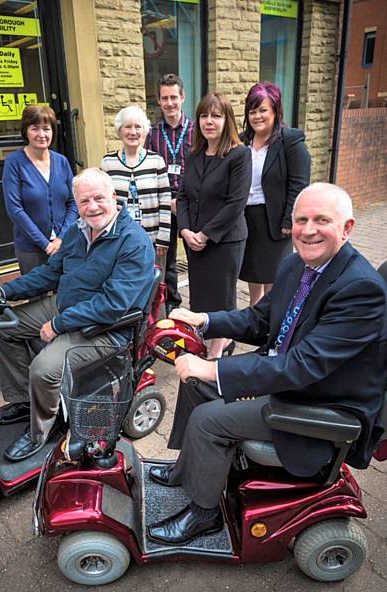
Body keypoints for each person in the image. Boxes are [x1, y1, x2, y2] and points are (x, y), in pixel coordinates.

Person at [147, 183, 387, 546]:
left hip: (319, 400)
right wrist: (204, 321)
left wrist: (213, 367)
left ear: (347, 228)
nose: (308, 230)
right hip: (287, 376)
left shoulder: (360, 289)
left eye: (322, 220)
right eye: (301, 220)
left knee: (208, 417)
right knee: (195, 385)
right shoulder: (296, 264)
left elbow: (302, 367)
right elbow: (259, 321)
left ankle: (204, 514)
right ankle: (188, 470)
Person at [0, 168, 155, 462]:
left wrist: (58, 324)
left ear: (113, 197)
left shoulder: (134, 242)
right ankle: (26, 400)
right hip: (67, 306)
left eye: (98, 198)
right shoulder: (77, 231)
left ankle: (40, 432)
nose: (91, 207)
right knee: (2, 325)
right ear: (76, 204)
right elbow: (50, 273)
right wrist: (4, 292)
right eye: (83, 201)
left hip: (106, 328)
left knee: (43, 368)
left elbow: (113, 304)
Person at [177, 92, 252, 358]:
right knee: (200, 296)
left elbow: (236, 203)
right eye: (204, 116)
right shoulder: (194, 154)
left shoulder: (239, 154)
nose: (209, 121)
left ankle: (217, 351)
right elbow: (183, 195)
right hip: (194, 240)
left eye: (216, 116)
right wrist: (185, 231)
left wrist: (206, 234)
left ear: (227, 120)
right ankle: (207, 338)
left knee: (221, 298)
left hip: (224, 241)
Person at [239, 82, 311, 305]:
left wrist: (290, 219)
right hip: (247, 217)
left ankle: (273, 322)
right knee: (253, 272)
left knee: (273, 278)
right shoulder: (242, 142)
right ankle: (254, 309)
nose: (257, 116)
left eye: (263, 110)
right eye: (252, 111)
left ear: (275, 112)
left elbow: (299, 184)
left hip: (276, 221)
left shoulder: (290, 141)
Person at [2, 105, 78, 274]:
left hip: (64, 245)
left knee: (67, 294)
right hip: (31, 249)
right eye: (35, 128)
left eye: (46, 128)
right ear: (26, 131)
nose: (41, 134)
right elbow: (15, 209)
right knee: (37, 297)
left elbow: (74, 202)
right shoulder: (14, 163)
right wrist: (45, 244)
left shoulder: (62, 161)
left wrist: (61, 238)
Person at [145, 74, 195, 314]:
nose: (170, 103)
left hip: (190, 204)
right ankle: (172, 305)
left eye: (174, 97)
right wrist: (168, 201)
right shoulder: (152, 134)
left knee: (197, 257)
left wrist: (182, 199)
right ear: (159, 100)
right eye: (165, 98)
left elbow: (200, 170)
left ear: (182, 97)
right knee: (168, 258)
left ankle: (198, 307)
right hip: (163, 205)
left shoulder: (197, 131)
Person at [101, 105, 171, 270]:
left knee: (153, 285)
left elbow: (165, 201)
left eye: (138, 126)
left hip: (153, 239)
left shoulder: (156, 161)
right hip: (119, 239)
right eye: (128, 126)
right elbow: (104, 202)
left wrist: (163, 237)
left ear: (145, 130)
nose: (133, 132)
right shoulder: (108, 162)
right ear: (119, 130)